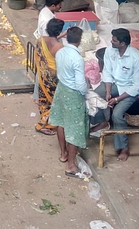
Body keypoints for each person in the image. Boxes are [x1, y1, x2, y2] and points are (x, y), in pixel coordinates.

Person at [89, 28, 139, 162]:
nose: (111, 41)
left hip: (129, 89)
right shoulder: (110, 51)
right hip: (114, 84)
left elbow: (137, 85)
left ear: (123, 43)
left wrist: (117, 99)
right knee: (94, 96)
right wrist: (108, 92)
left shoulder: (136, 58)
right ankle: (102, 122)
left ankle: (123, 147)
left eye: (114, 40)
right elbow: (107, 72)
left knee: (117, 114)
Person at [49, 26, 88, 177]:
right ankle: (70, 166)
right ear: (80, 40)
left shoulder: (60, 52)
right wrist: (86, 88)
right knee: (75, 129)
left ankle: (63, 154)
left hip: (61, 89)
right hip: (73, 94)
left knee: (61, 122)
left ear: (67, 38)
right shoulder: (77, 59)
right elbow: (80, 85)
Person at [34, 18, 66, 136]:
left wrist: (62, 35)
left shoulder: (40, 40)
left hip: (42, 77)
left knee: (44, 101)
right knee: (55, 102)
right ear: (58, 32)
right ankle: (43, 125)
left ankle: (45, 119)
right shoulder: (60, 47)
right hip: (53, 79)